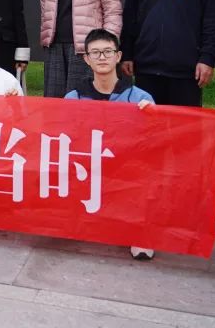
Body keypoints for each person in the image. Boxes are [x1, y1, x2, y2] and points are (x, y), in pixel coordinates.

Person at [64, 28, 155, 260]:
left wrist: (151, 119)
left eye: (107, 51)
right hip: (87, 166)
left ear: (118, 56)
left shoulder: (140, 98)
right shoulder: (73, 98)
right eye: (95, 53)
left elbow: (154, 142)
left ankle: (140, 233)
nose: (102, 57)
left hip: (125, 168)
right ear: (87, 59)